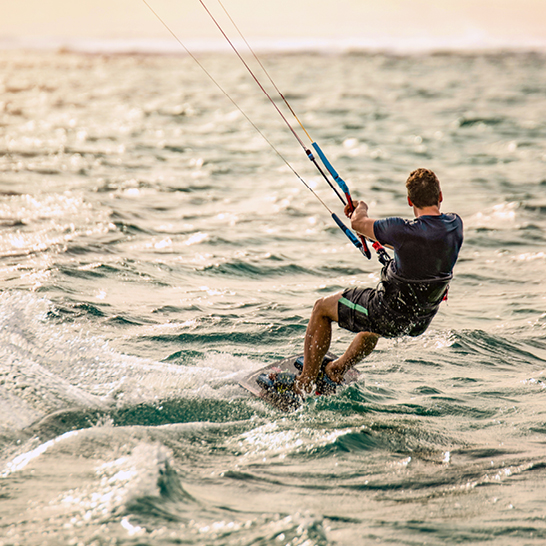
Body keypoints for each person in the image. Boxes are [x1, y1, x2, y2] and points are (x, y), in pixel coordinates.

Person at [294, 167, 463, 396]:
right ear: (440, 196)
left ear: (409, 200)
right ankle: (337, 369)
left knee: (321, 308)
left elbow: (358, 223)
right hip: (419, 320)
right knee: (370, 327)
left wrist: (360, 206)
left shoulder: (400, 230)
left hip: (390, 313)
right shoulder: (454, 225)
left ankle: (304, 383)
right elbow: (419, 245)